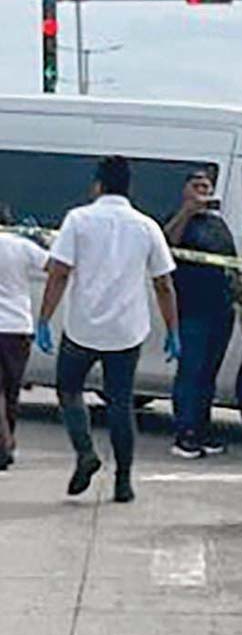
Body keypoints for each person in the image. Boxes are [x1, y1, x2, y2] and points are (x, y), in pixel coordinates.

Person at [36, 156, 181, 503]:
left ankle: (85, 451)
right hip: (126, 330)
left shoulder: (78, 219)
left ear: (98, 185)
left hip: (82, 327)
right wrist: (172, 329)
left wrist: (44, 319)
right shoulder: (146, 226)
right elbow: (163, 283)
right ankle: (124, 480)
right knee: (120, 403)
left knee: (69, 390)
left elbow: (59, 273)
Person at [164, 170, 241, 459]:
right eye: (196, 186)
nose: (202, 191)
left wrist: (240, 301)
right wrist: (187, 212)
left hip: (221, 309)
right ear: (185, 190)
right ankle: (184, 432)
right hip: (191, 309)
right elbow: (166, 246)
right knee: (190, 372)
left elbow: (231, 263)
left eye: (207, 187)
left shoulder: (218, 224)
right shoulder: (178, 219)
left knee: (209, 374)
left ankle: (202, 427)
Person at [0, 204, 50, 470]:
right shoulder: (20, 246)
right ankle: (6, 442)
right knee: (11, 390)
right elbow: (54, 266)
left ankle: (4, 443)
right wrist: (39, 240)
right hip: (17, 327)